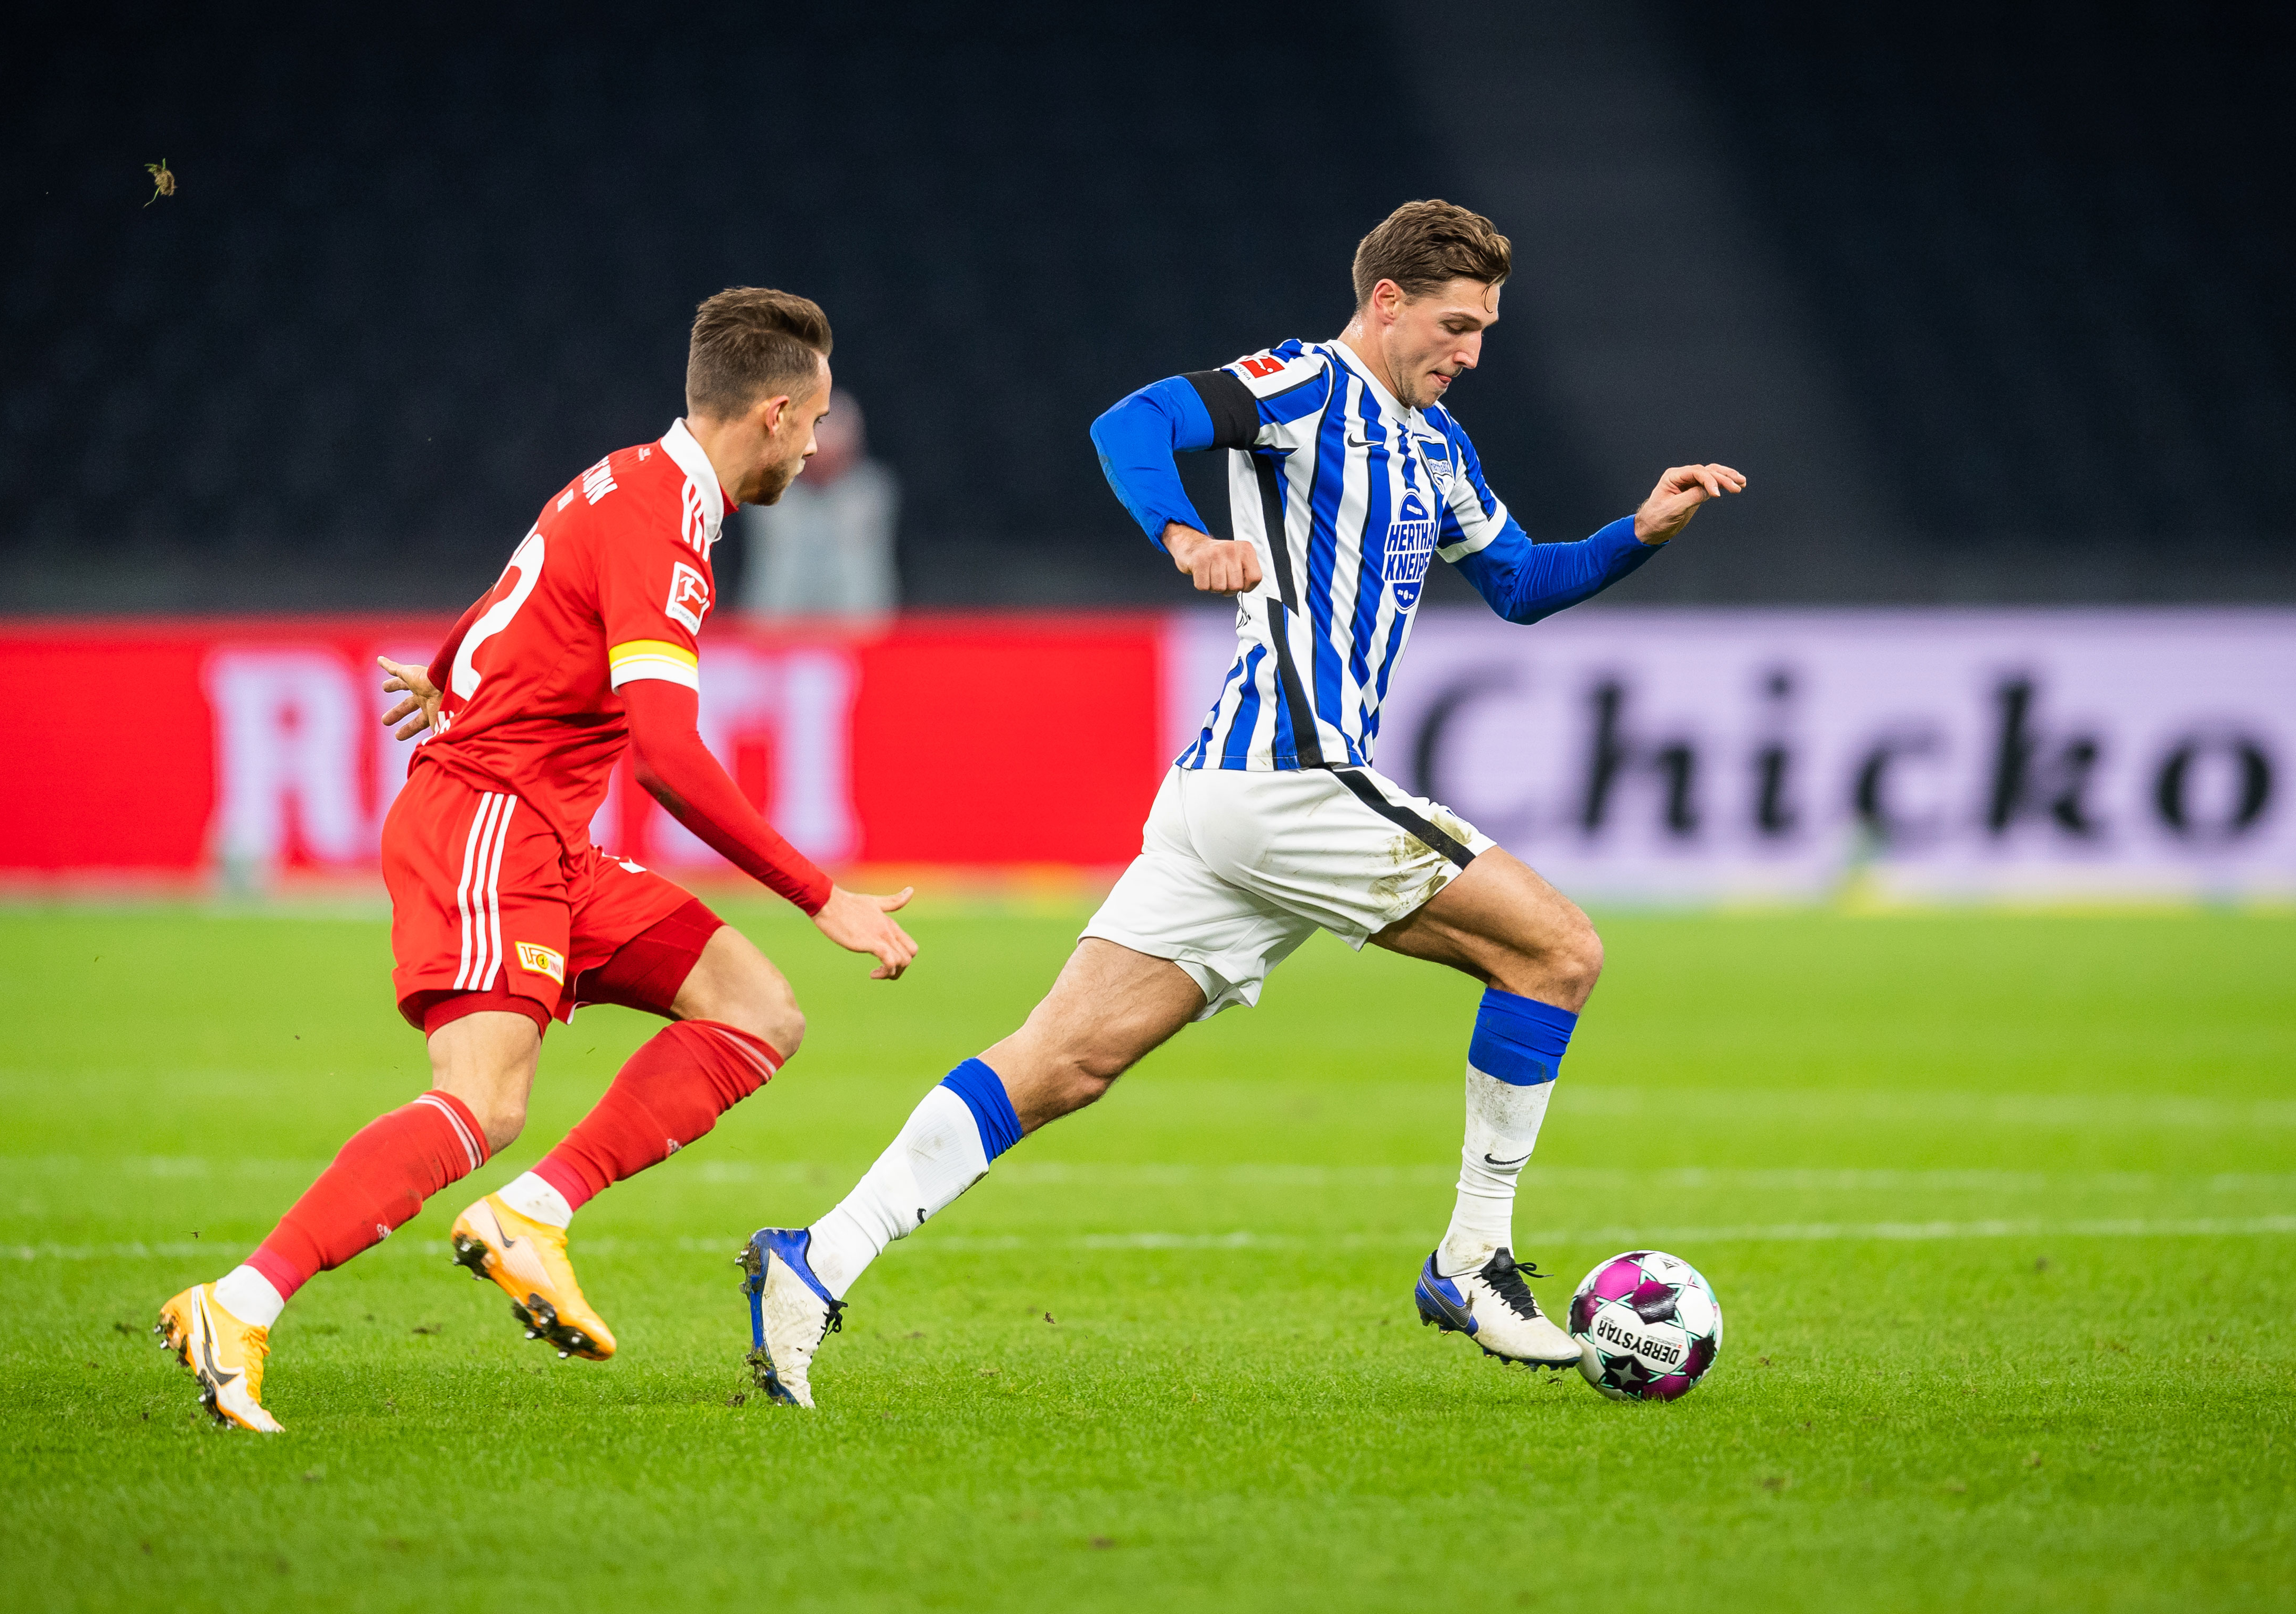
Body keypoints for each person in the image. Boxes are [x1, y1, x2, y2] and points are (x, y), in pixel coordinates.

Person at [735, 200, 1745, 1407]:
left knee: (1063, 1060)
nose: (1472, 350)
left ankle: (814, 1261)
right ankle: (1470, 1257)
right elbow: (1134, 422)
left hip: (1226, 804)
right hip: (1287, 781)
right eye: (1455, 323)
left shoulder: (1439, 447)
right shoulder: (1305, 386)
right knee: (1558, 951)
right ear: (1385, 302)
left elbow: (1521, 582)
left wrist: (1639, 530)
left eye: (1484, 330)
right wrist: (1180, 531)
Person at [155, 288, 920, 1432]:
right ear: (770, 412)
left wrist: (454, 665)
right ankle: (238, 1303)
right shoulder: (665, 524)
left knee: (756, 1012)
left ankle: (534, 1215)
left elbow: (537, 570)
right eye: (809, 423)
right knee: (479, 1099)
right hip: (490, 824)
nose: (814, 449)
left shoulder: (623, 477)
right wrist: (822, 895)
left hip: (548, 837)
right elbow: (664, 753)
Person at [736, 391, 900, 617]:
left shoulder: (871, 492)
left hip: (858, 631)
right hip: (776, 633)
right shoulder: (765, 491)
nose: (821, 457)